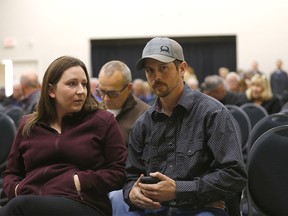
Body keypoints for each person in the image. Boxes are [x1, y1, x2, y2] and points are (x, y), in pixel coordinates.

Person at [123, 37, 247, 216]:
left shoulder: (212, 113)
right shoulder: (143, 124)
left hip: (202, 208)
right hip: (156, 209)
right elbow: (131, 176)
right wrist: (131, 193)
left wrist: (179, 190)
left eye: (163, 68)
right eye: (150, 70)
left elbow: (234, 175)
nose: (156, 77)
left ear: (182, 69)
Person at [0, 56, 127, 216]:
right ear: (51, 91)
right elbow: (11, 172)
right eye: (72, 84)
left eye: (84, 84)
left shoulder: (102, 121)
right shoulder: (28, 125)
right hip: (33, 201)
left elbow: (120, 171)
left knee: (19, 207)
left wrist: (80, 182)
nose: (81, 91)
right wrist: (16, 189)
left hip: (85, 204)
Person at [97, 60, 150, 216]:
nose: (105, 98)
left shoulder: (145, 115)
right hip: (96, 182)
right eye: (101, 91)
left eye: (112, 93)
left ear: (128, 88)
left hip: (127, 186)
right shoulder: (94, 112)